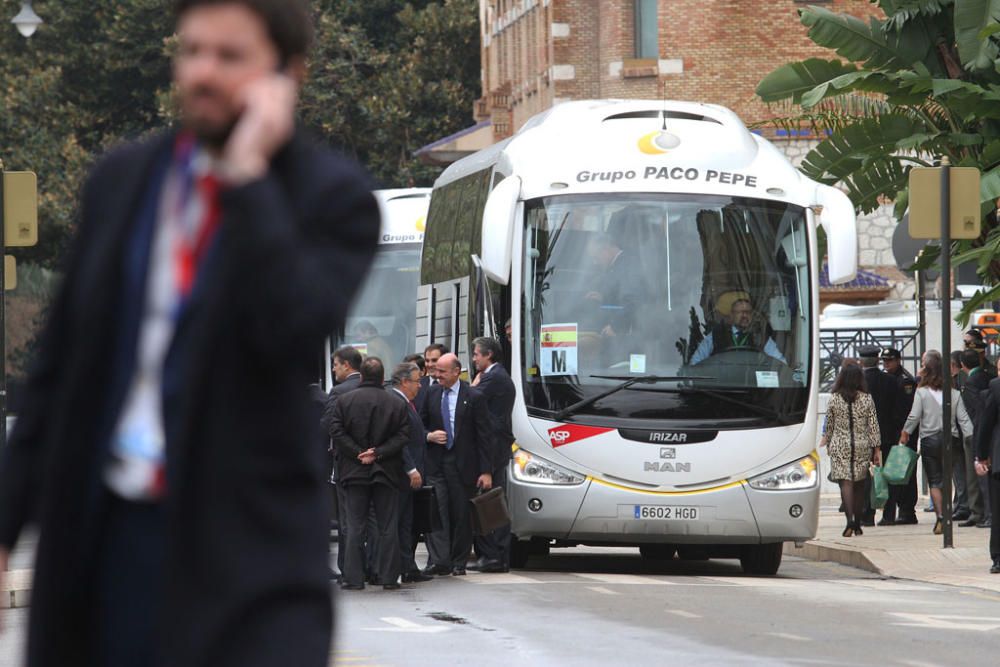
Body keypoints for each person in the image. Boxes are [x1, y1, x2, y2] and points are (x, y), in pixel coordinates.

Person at [0, 1, 380, 664]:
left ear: (286, 75)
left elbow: (291, 328)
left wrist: (244, 180)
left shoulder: (330, 198)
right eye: (192, 50)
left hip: (243, 564)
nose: (202, 72)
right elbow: (57, 373)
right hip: (107, 543)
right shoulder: (122, 182)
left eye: (229, 57)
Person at [329, 358, 410, 591]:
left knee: (354, 526)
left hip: (354, 471)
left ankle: (354, 578)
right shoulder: (396, 403)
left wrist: (358, 453)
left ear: (362, 376)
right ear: (382, 376)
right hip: (386, 471)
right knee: (387, 526)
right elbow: (404, 435)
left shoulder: (344, 401)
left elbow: (336, 430)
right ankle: (387, 577)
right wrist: (378, 453)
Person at [419, 353, 494, 576]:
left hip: (463, 465)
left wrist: (486, 471)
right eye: (435, 371)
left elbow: (484, 436)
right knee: (437, 512)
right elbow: (419, 426)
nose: (436, 375)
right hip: (436, 463)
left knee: (461, 515)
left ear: (456, 371)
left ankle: (458, 561)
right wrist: (429, 436)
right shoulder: (431, 393)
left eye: (442, 371)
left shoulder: (474, 396)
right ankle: (439, 561)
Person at [901, 352, 975, 535]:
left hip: (929, 439)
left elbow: (914, 415)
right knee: (948, 478)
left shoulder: (922, 393)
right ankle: (948, 514)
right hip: (951, 439)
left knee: (934, 481)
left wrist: (906, 432)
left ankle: (940, 516)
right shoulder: (955, 393)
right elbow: (963, 419)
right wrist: (970, 437)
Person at [470, 337, 516, 573]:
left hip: (493, 447)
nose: (474, 358)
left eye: (477, 354)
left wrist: (475, 384)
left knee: (491, 502)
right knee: (489, 500)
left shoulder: (493, 377)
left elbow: (469, 399)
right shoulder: (495, 375)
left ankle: (495, 555)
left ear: (488, 355)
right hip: (495, 446)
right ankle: (491, 554)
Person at [822, 364, 882, 536]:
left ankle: (849, 521)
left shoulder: (834, 399)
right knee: (859, 485)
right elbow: (873, 426)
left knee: (845, 483)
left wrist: (827, 444)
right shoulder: (866, 399)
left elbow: (829, 425)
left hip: (840, 444)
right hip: (861, 444)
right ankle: (857, 522)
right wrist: (876, 449)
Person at [321, 345, 364, 581]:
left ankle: (350, 571)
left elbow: (329, 426)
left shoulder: (338, 392)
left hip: (347, 465)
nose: (334, 370)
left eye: (336, 365)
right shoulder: (377, 389)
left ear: (347, 365)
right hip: (377, 464)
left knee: (349, 520)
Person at [388, 361, 433, 584]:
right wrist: (411, 468)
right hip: (402, 475)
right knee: (400, 522)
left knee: (407, 523)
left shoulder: (406, 402)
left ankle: (408, 566)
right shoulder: (398, 403)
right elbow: (401, 441)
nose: (420, 386)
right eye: (417, 381)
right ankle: (401, 566)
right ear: (404, 382)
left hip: (408, 475)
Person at [858, 346, 906, 526]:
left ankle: (867, 514)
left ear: (861, 361)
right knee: (888, 474)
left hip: (864, 435)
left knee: (865, 475)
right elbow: (898, 408)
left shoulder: (857, 382)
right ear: (878, 360)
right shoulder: (890, 380)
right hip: (887, 434)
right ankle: (889, 514)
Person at [689, 291, 786, 365]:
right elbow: (695, 362)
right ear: (731, 315)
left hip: (752, 388)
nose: (745, 316)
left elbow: (780, 362)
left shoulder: (761, 337)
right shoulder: (715, 335)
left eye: (748, 312)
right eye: (740, 312)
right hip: (719, 387)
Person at [881, 347, 919, 524]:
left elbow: (906, 410)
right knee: (894, 472)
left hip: (904, 432)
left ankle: (907, 510)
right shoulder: (888, 378)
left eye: (889, 360)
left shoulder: (905, 381)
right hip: (892, 432)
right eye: (884, 361)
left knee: (906, 473)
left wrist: (904, 433)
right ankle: (900, 508)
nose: (886, 364)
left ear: (898, 360)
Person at [974, 367, 1000, 572]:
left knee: (998, 510)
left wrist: (981, 455)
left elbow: (985, 425)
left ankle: (998, 557)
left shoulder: (995, 388)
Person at [959, 349, 988, 527]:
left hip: (974, 432)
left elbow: (975, 410)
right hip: (985, 430)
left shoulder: (970, 382)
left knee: (974, 475)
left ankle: (977, 512)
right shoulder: (986, 376)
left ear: (963, 365)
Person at [950, 350, 972, 522]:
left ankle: (963, 505)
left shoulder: (958, 382)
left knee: (960, 472)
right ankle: (961, 503)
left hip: (959, 433)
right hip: (962, 432)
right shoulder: (960, 380)